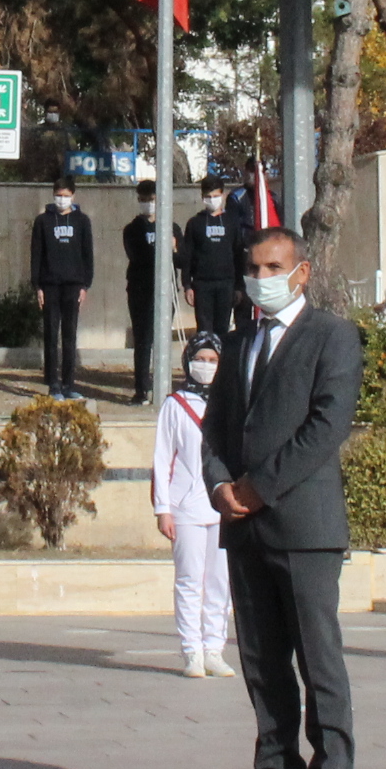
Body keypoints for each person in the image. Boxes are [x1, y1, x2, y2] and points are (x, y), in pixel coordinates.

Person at [199, 226, 363, 769]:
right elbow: (214, 426)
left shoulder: (332, 337)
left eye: (273, 268)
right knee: (262, 659)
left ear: (302, 272)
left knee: (317, 657)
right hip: (244, 527)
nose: (261, 279)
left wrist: (258, 487)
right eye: (254, 268)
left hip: (303, 524)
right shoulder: (240, 342)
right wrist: (221, 485)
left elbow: (326, 426)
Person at [150, 332, 234, 678]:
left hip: (223, 505)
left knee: (220, 581)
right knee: (189, 580)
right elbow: (161, 457)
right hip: (185, 507)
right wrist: (162, 508)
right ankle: (191, 651)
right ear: (188, 361)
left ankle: (214, 648)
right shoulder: (175, 404)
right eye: (201, 358)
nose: (207, 366)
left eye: (214, 360)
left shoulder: (230, 402)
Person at [29, 176, 95, 398]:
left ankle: (69, 385)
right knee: (51, 334)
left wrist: (85, 285)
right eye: (59, 195)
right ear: (53, 194)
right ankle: (53, 384)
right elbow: (36, 255)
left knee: (69, 335)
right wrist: (37, 286)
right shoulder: (42, 221)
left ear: (73, 196)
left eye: (66, 196)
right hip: (50, 286)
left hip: (73, 286)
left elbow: (88, 255)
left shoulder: (82, 221)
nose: (62, 199)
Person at [181, 176, 244, 348]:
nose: (212, 200)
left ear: (223, 196)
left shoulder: (232, 222)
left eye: (215, 196)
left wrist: (239, 286)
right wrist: (187, 285)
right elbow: (187, 256)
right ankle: (204, 367)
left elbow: (239, 255)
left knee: (222, 330)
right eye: (208, 197)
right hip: (202, 285)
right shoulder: (195, 223)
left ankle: (221, 369)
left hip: (226, 284)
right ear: (202, 197)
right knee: (204, 330)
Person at [123, 179, 160, 403]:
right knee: (142, 340)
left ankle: (161, 384)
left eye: (152, 200)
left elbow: (181, 258)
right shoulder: (132, 229)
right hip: (140, 290)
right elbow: (138, 256)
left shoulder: (169, 227)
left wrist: (174, 248)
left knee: (160, 340)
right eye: (144, 200)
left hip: (163, 290)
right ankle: (141, 389)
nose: (148, 204)